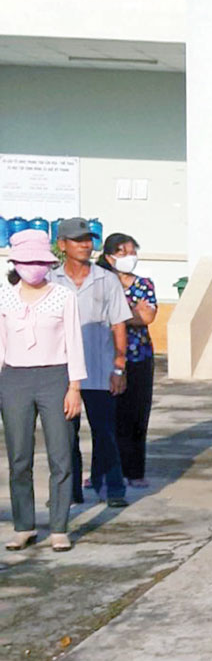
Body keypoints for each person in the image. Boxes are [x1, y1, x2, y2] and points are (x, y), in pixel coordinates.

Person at [1, 229, 85, 552]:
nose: (34, 267)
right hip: (14, 379)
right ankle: (24, 525)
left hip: (55, 377)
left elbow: (74, 344)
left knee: (61, 455)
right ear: (16, 263)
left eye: (40, 261)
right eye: (27, 261)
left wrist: (74, 387)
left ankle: (59, 527)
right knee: (19, 457)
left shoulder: (64, 296)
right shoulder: (4, 296)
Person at [51, 217, 131, 509]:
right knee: (64, 435)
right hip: (62, 371)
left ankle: (112, 487)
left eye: (89, 239)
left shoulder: (106, 279)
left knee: (105, 431)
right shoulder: (50, 281)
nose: (86, 245)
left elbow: (119, 323)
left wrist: (119, 367)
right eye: (78, 240)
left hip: (99, 367)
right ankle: (69, 491)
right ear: (62, 245)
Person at [96, 233, 158, 488]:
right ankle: (106, 471)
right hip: (105, 357)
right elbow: (100, 315)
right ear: (109, 255)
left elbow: (148, 317)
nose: (128, 257)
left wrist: (118, 316)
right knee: (107, 417)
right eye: (121, 252)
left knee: (136, 414)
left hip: (139, 357)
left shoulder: (144, 283)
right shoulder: (99, 282)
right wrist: (132, 312)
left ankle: (134, 471)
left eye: (131, 251)